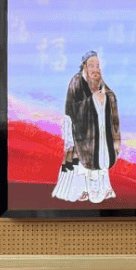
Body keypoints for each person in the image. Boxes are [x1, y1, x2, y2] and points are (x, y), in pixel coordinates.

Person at [52, 50, 120, 203]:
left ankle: (102, 188)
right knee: (79, 163)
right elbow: (73, 108)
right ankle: (81, 190)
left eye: (97, 65)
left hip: (97, 132)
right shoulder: (76, 81)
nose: (95, 69)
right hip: (79, 132)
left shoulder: (98, 80)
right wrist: (93, 100)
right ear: (84, 66)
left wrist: (105, 99)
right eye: (92, 65)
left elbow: (110, 95)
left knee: (100, 155)